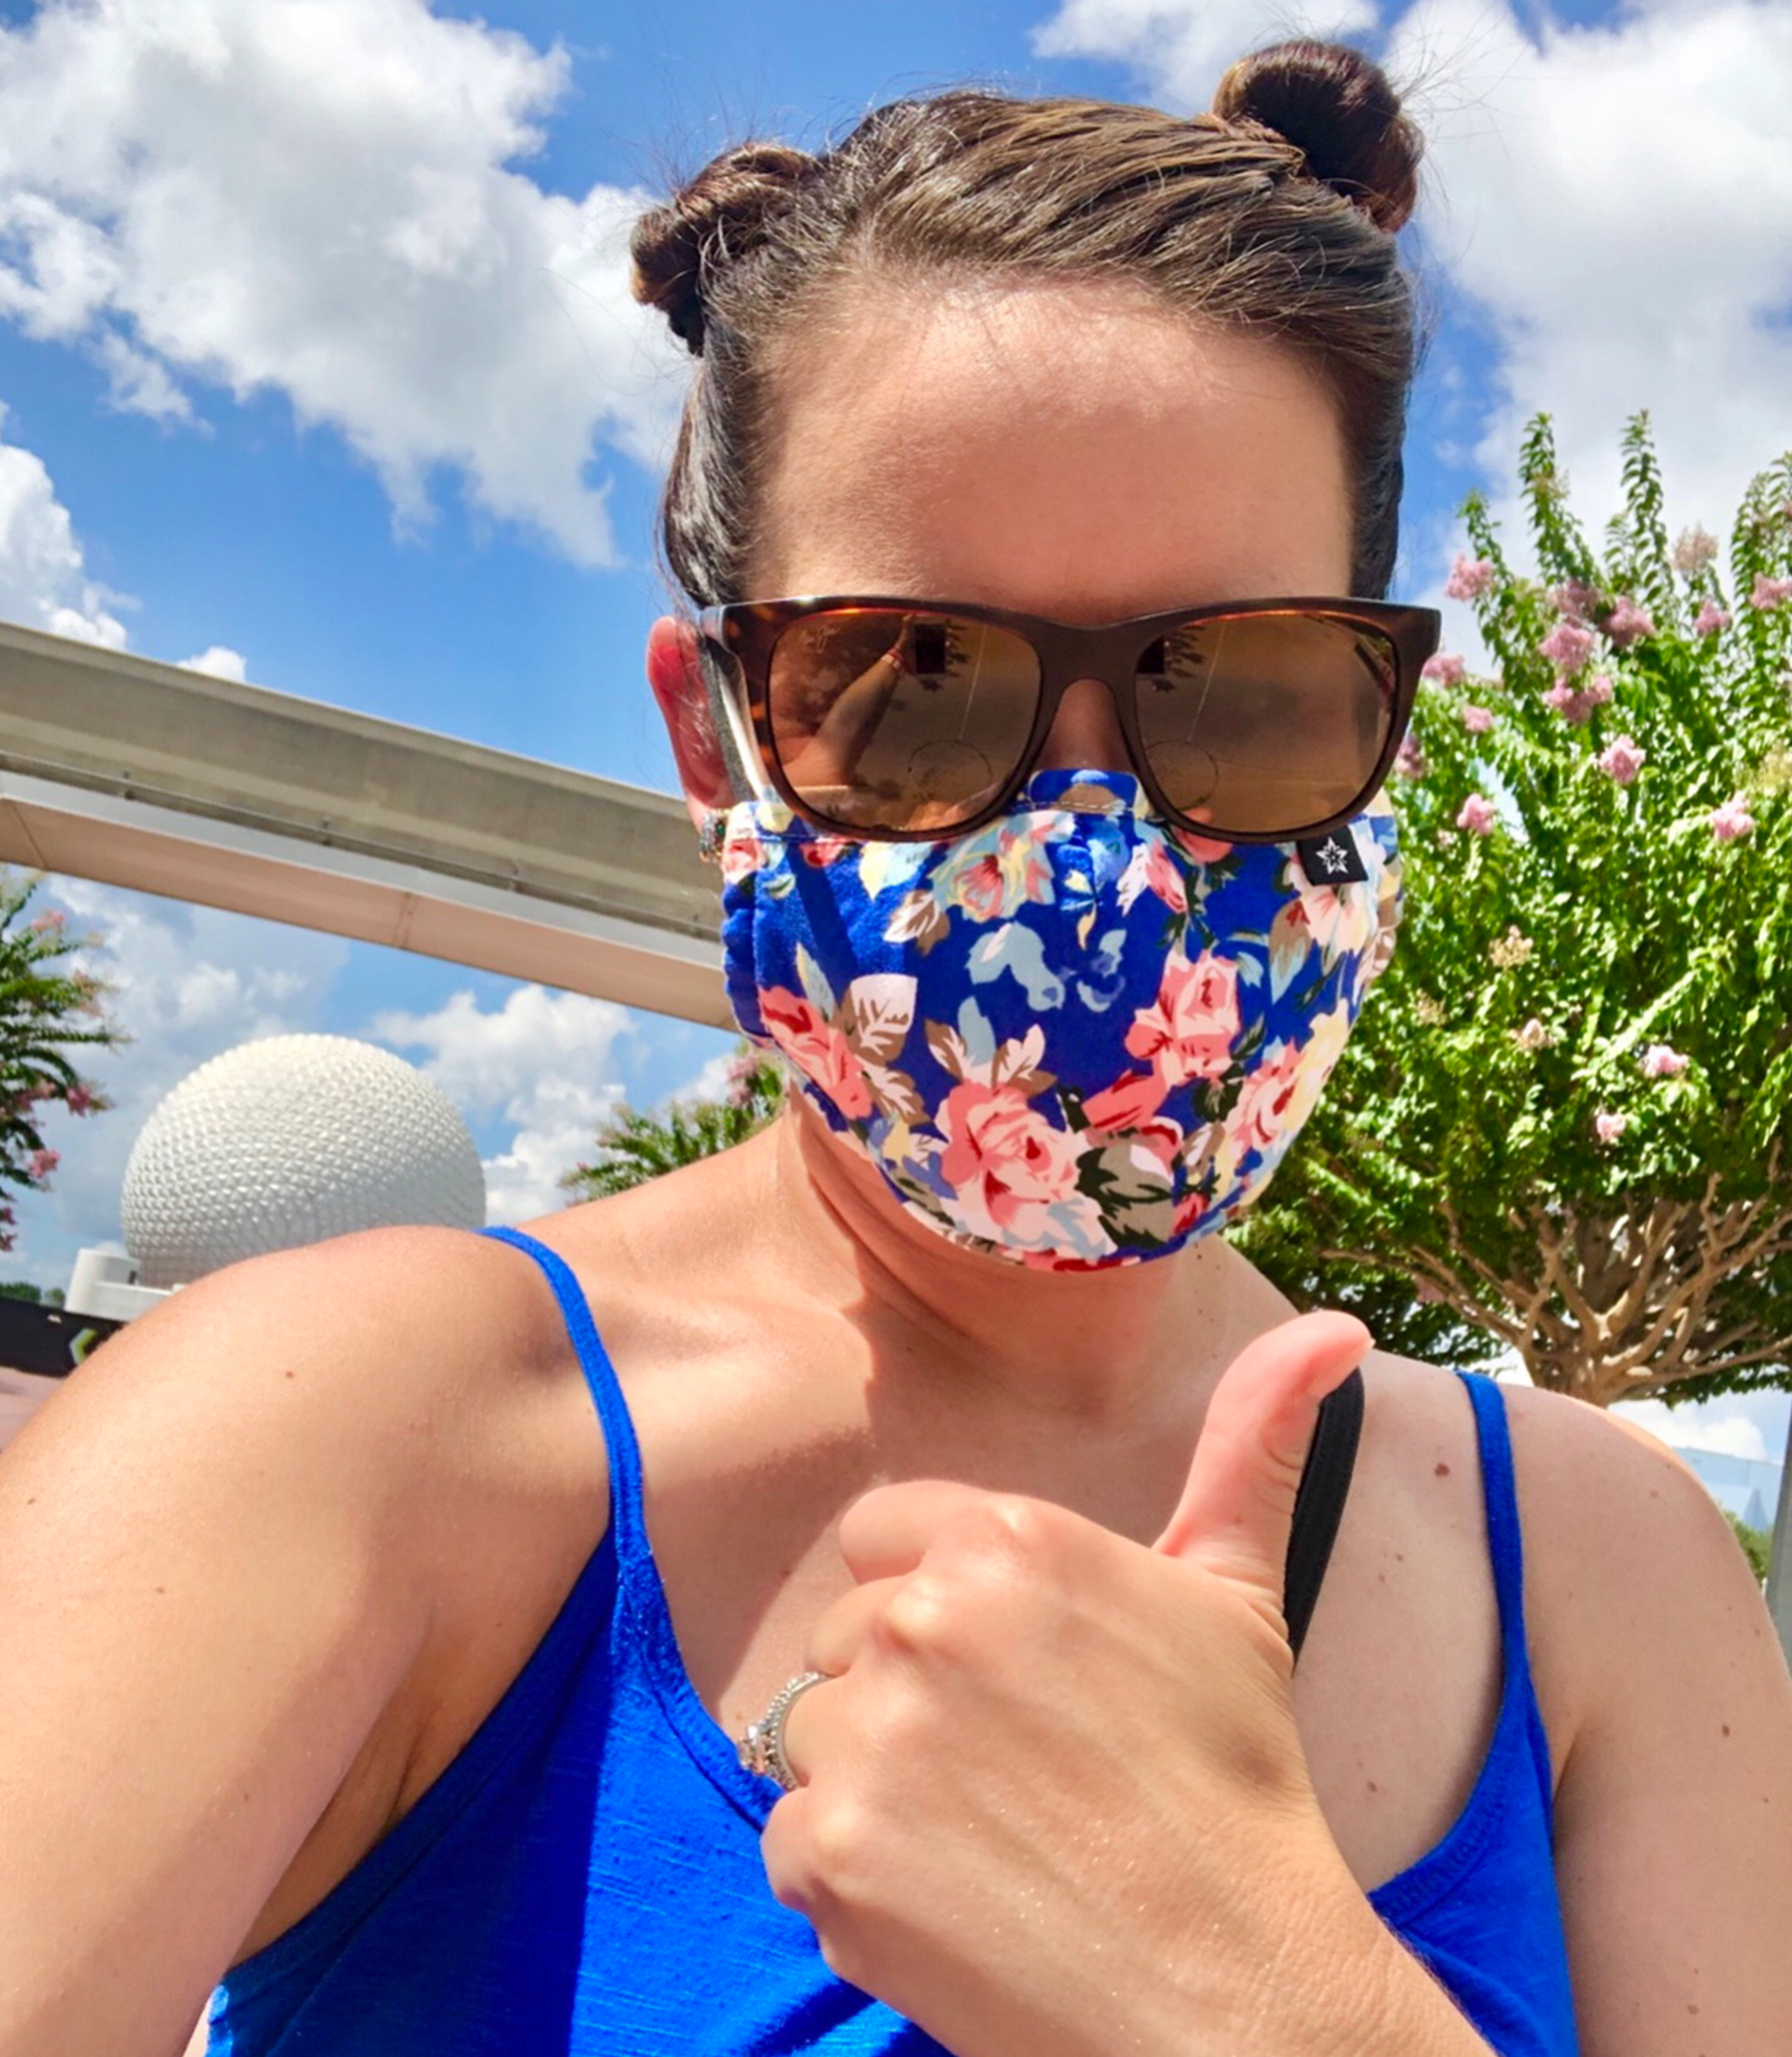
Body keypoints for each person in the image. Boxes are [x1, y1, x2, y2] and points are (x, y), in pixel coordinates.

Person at [2, 39, 1788, 2057]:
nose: (1103, 850)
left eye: (1247, 684)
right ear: (720, 734)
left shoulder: (1613, 1581)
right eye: (916, 679)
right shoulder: (345, 1445)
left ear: (1373, 708)